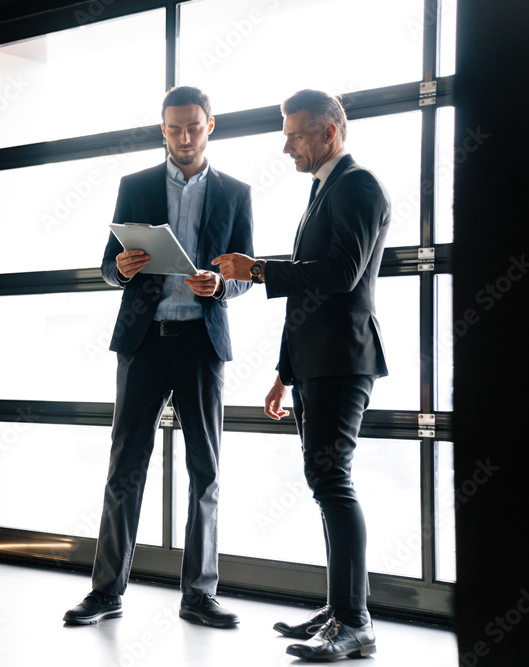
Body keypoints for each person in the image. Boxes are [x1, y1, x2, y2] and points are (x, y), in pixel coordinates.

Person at [63, 86, 254, 628]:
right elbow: (108, 265)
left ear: (210, 125)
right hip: (143, 342)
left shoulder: (236, 193)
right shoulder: (135, 186)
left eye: (193, 126)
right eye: (174, 128)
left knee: (205, 471)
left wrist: (219, 285)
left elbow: (244, 276)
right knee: (125, 467)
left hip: (201, 343)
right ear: (162, 129)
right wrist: (118, 270)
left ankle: (199, 595)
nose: (184, 137)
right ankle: (105, 592)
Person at [213, 89, 390, 660]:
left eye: (294, 133)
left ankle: (355, 620)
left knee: (332, 481)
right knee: (324, 484)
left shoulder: (357, 185)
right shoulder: (324, 190)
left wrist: (259, 268)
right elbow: (308, 296)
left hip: (343, 359)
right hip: (315, 363)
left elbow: (340, 275)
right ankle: (341, 607)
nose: (285, 145)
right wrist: (283, 375)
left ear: (329, 133)